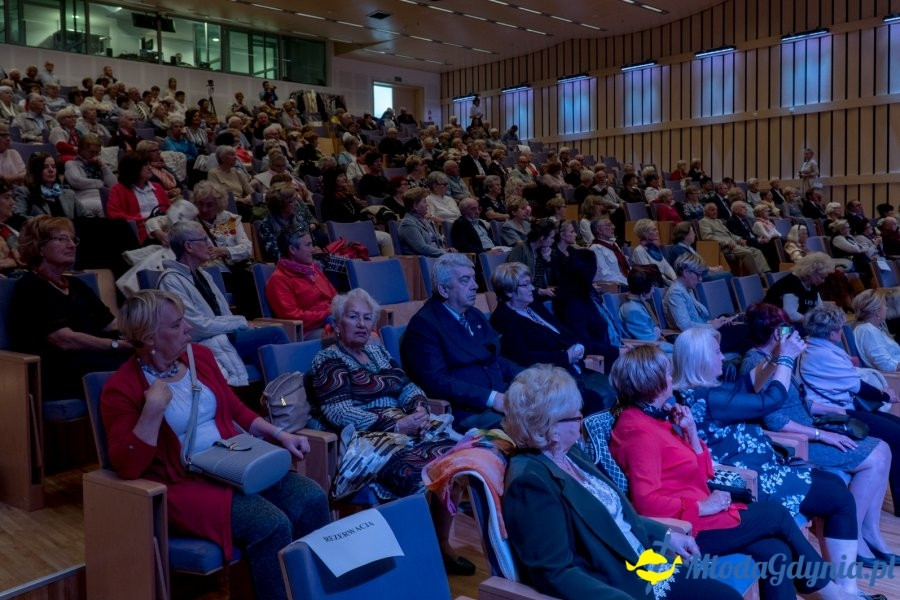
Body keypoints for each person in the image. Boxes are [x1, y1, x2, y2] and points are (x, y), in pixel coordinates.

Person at [101, 290, 329, 600]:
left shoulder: (201, 358)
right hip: (185, 483)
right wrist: (152, 412)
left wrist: (279, 434)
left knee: (312, 497)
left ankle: (315, 591)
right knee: (271, 524)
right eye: (177, 325)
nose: (188, 330)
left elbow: (234, 408)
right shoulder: (122, 388)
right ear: (149, 337)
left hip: (234, 461)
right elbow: (127, 466)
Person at [610, 345, 850, 600]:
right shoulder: (637, 431)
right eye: (668, 374)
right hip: (687, 528)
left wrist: (690, 432)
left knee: (775, 551)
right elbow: (646, 503)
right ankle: (835, 595)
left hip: (704, 512)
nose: (672, 378)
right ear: (654, 382)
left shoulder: (661, 418)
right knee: (777, 516)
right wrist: (703, 506)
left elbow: (705, 473)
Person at [502, 364, 744, 600]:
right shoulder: (531, 483)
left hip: (644, 561)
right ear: (552, 429)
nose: (581, 420)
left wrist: (667, 535)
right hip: (622, 583)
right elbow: (555, 574)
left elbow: (616, 515)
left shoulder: (567, 453)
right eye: (576, 416)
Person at [672, 327, 874, 598]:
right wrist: (786, 359)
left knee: (833, 485)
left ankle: (843, 589)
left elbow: (746, 385)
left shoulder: (702, 392)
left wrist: (774, 356)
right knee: (837, 496)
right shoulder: (707, 399)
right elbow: (770, 400)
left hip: (764, 468)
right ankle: (842, 592)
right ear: (699, 360)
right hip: (748, 479)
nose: (723, 357)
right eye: (717, 352)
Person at [307, 288, 473, 573]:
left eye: (367, 318)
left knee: (456, 459)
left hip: (405, 426)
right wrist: (396, 424)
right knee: (417, 470)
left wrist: (420, 407)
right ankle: (413, 556)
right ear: (337, 323)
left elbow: (404, 385)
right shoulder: (327, 361)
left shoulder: (375, 349)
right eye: (353, 317)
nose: (361, 324)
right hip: (366, 442)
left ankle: (440, 544)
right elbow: (339, 412)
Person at [743, 302, 900, 548]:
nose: (795, 335)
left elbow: (803, 402)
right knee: (875, 458)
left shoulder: (777, 359)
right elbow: (773, 418)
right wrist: (821, 434)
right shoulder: (758, 363)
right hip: (796, 440)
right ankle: (854, 535)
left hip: (809, 426)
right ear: (777, 334)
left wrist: (836, 411)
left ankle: (869, 530)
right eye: (788, 330)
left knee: (883, 448)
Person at [9, 215, 131, 400]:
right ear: (40, 247)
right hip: (59, 369)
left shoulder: (76, 285)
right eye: (61, 239)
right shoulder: (31, 286)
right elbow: (64, 340)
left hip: (90, 358)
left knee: (147, 357)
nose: (72, 245)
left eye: (73, 239)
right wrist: (114, 345)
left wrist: (146, 331)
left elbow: (111, 324)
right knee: (132, 367)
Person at [157, 221, 289, 386]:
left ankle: (282, 402)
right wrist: (240, 323)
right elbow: (196, 327)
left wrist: (242, 325)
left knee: (265, 355)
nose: (210, 244)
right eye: (204, 239)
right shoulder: (170, 281)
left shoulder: (204, 275)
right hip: (202, 343)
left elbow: (225, 313)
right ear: (189, 246)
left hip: (222, 335)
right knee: (274, 335)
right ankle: (290, 399)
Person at [402, 253, 522, 431]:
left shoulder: (474, 315)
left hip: (501, 399)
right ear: (444, 290)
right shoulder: (424, 326)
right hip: (467, 412)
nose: (475, 286)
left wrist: (529, 377)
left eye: (474, 279)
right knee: (532, 425)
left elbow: (494, 360)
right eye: (465, 280)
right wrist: (491, 397)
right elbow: (437, 382)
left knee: (556, 407)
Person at [490, 262, 613, 412]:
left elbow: (562, 331)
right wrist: (564, 356)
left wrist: (577, 345)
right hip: (547, 379)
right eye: (526, 285)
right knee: (596, 399)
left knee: (615, 385)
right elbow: (522, 357)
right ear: (509, 291)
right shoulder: (503, 319)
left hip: (570, 368)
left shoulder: (533, 306)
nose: (532, 289)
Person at [552, 249, 623, 371]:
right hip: (601, 360)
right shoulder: (573, 302)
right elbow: (583, 342)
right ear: (587, 271)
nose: (599, 269)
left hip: (612, 352)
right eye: (596, 266)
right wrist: (617, 351)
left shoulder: (590, 294)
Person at [664, 254, 749, 353]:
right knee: (748, 332)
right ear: (686, 272)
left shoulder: (687, 289)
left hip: (704, 333)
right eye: (698, 274)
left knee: (748, 327)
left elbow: (697, 320)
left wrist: (717, 322)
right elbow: (685, 326)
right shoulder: (676, 293)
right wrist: (712, 325)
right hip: (697, 340)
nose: (700, 279)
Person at [265, 227, 338, 339]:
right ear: (292, 250)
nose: (313, 250)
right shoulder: (278, 280)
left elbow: (335, 296)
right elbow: (293, 317)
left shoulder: (313, 268)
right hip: (308, 331)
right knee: (352, 334)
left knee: (369, 321)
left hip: (332, 320)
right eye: (308, 245)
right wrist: (327, 313)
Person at [106, 152, 171, 245]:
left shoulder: (158, 187)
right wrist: (143, 220)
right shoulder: (118, 189)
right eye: (145, 165)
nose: (150, 167)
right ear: (133, 168)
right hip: (139, 233)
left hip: (164, 226)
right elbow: (114, 215)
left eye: (149, 164)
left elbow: (169, 209)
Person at [11, 152, 84, 229]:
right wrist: (47, 225)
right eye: (45, 167)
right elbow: (18, 217)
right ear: (36, 170)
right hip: (42, 236)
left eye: (53, 166)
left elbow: (86, 216)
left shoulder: (69, 193)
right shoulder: (25, 192)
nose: (51, 170)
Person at [762, 252, 830, 322]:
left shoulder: (812, 284)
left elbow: (819, 308)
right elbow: (790, 314)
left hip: (798, 322)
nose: (823, 281)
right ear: (812, 272)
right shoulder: (791, 283)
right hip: (775, 323)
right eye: (822, 277)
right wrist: (812, 322)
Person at [618, 268, 673, 351]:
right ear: (644, 290)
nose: (653, 291)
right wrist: (678, 349)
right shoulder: (633, 311)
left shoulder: (638, 304)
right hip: (644, 352)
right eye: (652, 288)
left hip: (650, 346)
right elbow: (651, 341)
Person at [852, 289, 900, 372]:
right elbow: (886, 365)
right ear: (877, 312)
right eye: (885, 305)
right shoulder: (867, 331)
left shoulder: (872, 328)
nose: (887, 308)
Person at [506, 218, 556, 296]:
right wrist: (538, 290)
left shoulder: (541, 251)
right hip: (523, 294)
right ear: (542, 238)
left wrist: (547, 260)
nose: (553, 241)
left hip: (538, 292)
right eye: (552, 238)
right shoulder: (520, 249)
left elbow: (547, 281)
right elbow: (513, 277)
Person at [398, 187, 449, 257]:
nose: (427, 205)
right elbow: (421, 248)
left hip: (437, 257)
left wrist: (446, 250)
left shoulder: (426, 220)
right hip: (422, 261)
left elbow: (438, 242)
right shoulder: (407, 223)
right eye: (424, 202)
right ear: (415, 206)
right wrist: (445, 253)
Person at [631, 219, 676, 284]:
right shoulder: (639, 251)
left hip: (664, 283)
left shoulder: (654, 248)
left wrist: (675, 279)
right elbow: (649, 273)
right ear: (645, 234)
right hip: (654, 286)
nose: (657, 232)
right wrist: (669, 283)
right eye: (654, 230)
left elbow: (667, 267)